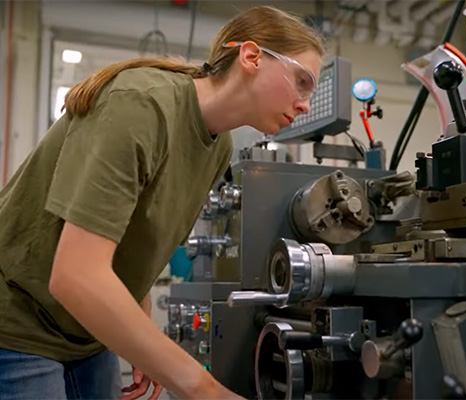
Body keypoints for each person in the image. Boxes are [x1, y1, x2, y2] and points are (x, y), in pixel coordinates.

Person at [0, 5, 323, 400]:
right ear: (252, 57)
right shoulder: (139, 105)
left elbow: (133, 240)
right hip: (17, 322)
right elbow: (76, 275)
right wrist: (204, 389)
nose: (306, 104)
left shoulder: (217, 144)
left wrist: (141, 335)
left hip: (84, 336)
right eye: (302, 82)